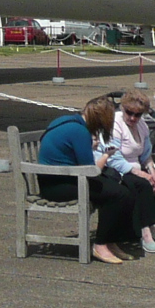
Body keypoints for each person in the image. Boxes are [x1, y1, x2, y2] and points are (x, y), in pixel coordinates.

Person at [36, 99, 126, 264]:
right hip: (57, 186)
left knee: (116, 188)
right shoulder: (80, 131)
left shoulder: (65, 120)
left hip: (54, 180)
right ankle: (100, 245)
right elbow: (89, 170)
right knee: (116, 193)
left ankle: (109, 241)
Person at [107, 90, 155, 256]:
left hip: (138, 168)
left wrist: (152, 172)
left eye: (138, 114)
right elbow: (114, 158)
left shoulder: (142, 125)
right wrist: (143, 175)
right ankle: (145, 233)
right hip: (118, 170)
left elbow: (146, 154)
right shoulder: (115, 124)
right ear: (123, 108)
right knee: (143, 185)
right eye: (129, 113)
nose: (133, 118)